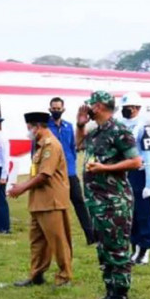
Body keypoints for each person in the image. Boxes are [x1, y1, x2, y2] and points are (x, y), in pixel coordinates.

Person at [77, 91, 142, 299]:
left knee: (117, 249)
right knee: (104, 249)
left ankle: (121, 298)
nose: (86, 107)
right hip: (97, 201)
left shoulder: (119, 131)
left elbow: (135, 161)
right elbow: (78, 146)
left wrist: (106, 168)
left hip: (115, 201)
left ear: (100, 106)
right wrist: (80, 125)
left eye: (90, 104)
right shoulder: (96, 133)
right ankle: (110, 294)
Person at [8, 112, 73, 287]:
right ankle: (36, 275)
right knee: (37, 242)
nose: (28, 131)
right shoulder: (40, 146)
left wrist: (21, 188)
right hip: (39, 202)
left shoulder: (51, 145)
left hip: (51, 201)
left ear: (37, 127)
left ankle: (64, 276)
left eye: (29, 128)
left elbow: (44, 175)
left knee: (58, 241)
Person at [48, 97, 95, 245]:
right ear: (50, 109)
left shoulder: (68, 126)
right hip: (54, 174)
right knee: (58, 207)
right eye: (54, 109)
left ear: (63, 109)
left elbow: (74, 145)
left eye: (58, 109)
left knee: (79, 203)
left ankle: (90, 235)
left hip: (70, 172)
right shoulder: (45, 127)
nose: (56, 111)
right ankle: (60, 237)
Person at [120, 91, 150, 264]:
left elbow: (148, 155)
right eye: (124, 107)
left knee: (142, 213)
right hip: (123, 172)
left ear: (137, 108)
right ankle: (134, 247)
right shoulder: (119, 124)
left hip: (139, 173)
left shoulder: (143, 126)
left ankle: (145, 248)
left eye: (130, 107)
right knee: (128, 213)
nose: (127, 110)